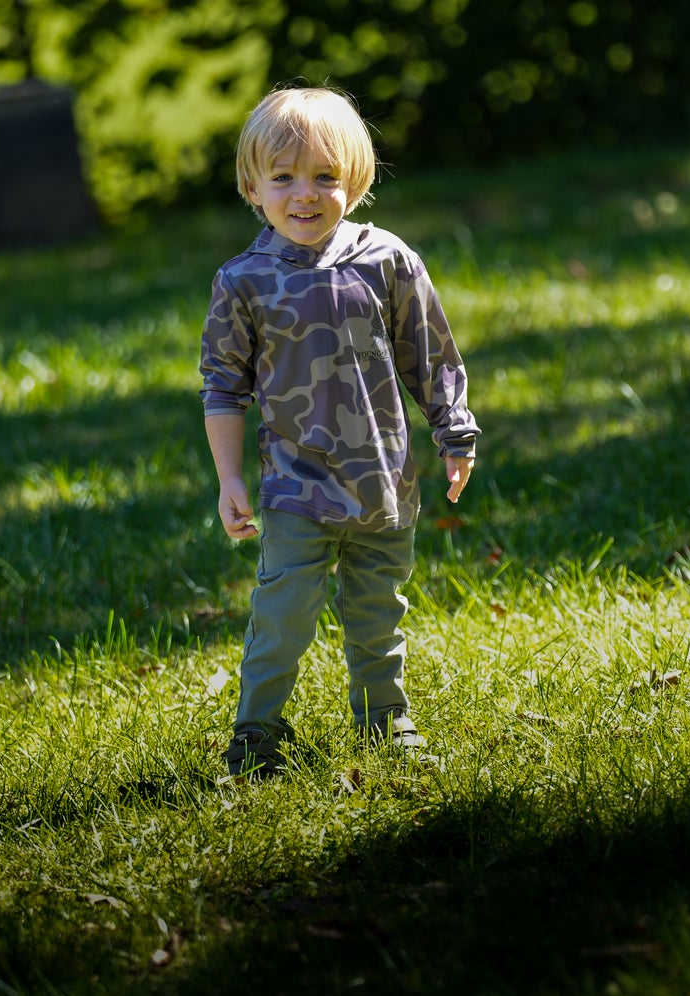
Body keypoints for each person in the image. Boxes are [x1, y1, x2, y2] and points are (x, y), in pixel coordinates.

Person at [199, 86, 480, 778]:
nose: (305, 193)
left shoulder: (386, 261)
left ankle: (385, 721)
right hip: (295, 486)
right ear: (251, 187)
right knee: (282, 616)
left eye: (325, 175)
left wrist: (454, 432)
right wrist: (230, 478)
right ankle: (255, 735)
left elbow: (431, 355)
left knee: (377, 613)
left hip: (382, 481)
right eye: (284, 177)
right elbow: (222, 386)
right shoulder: (244, 281)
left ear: (353, 180)